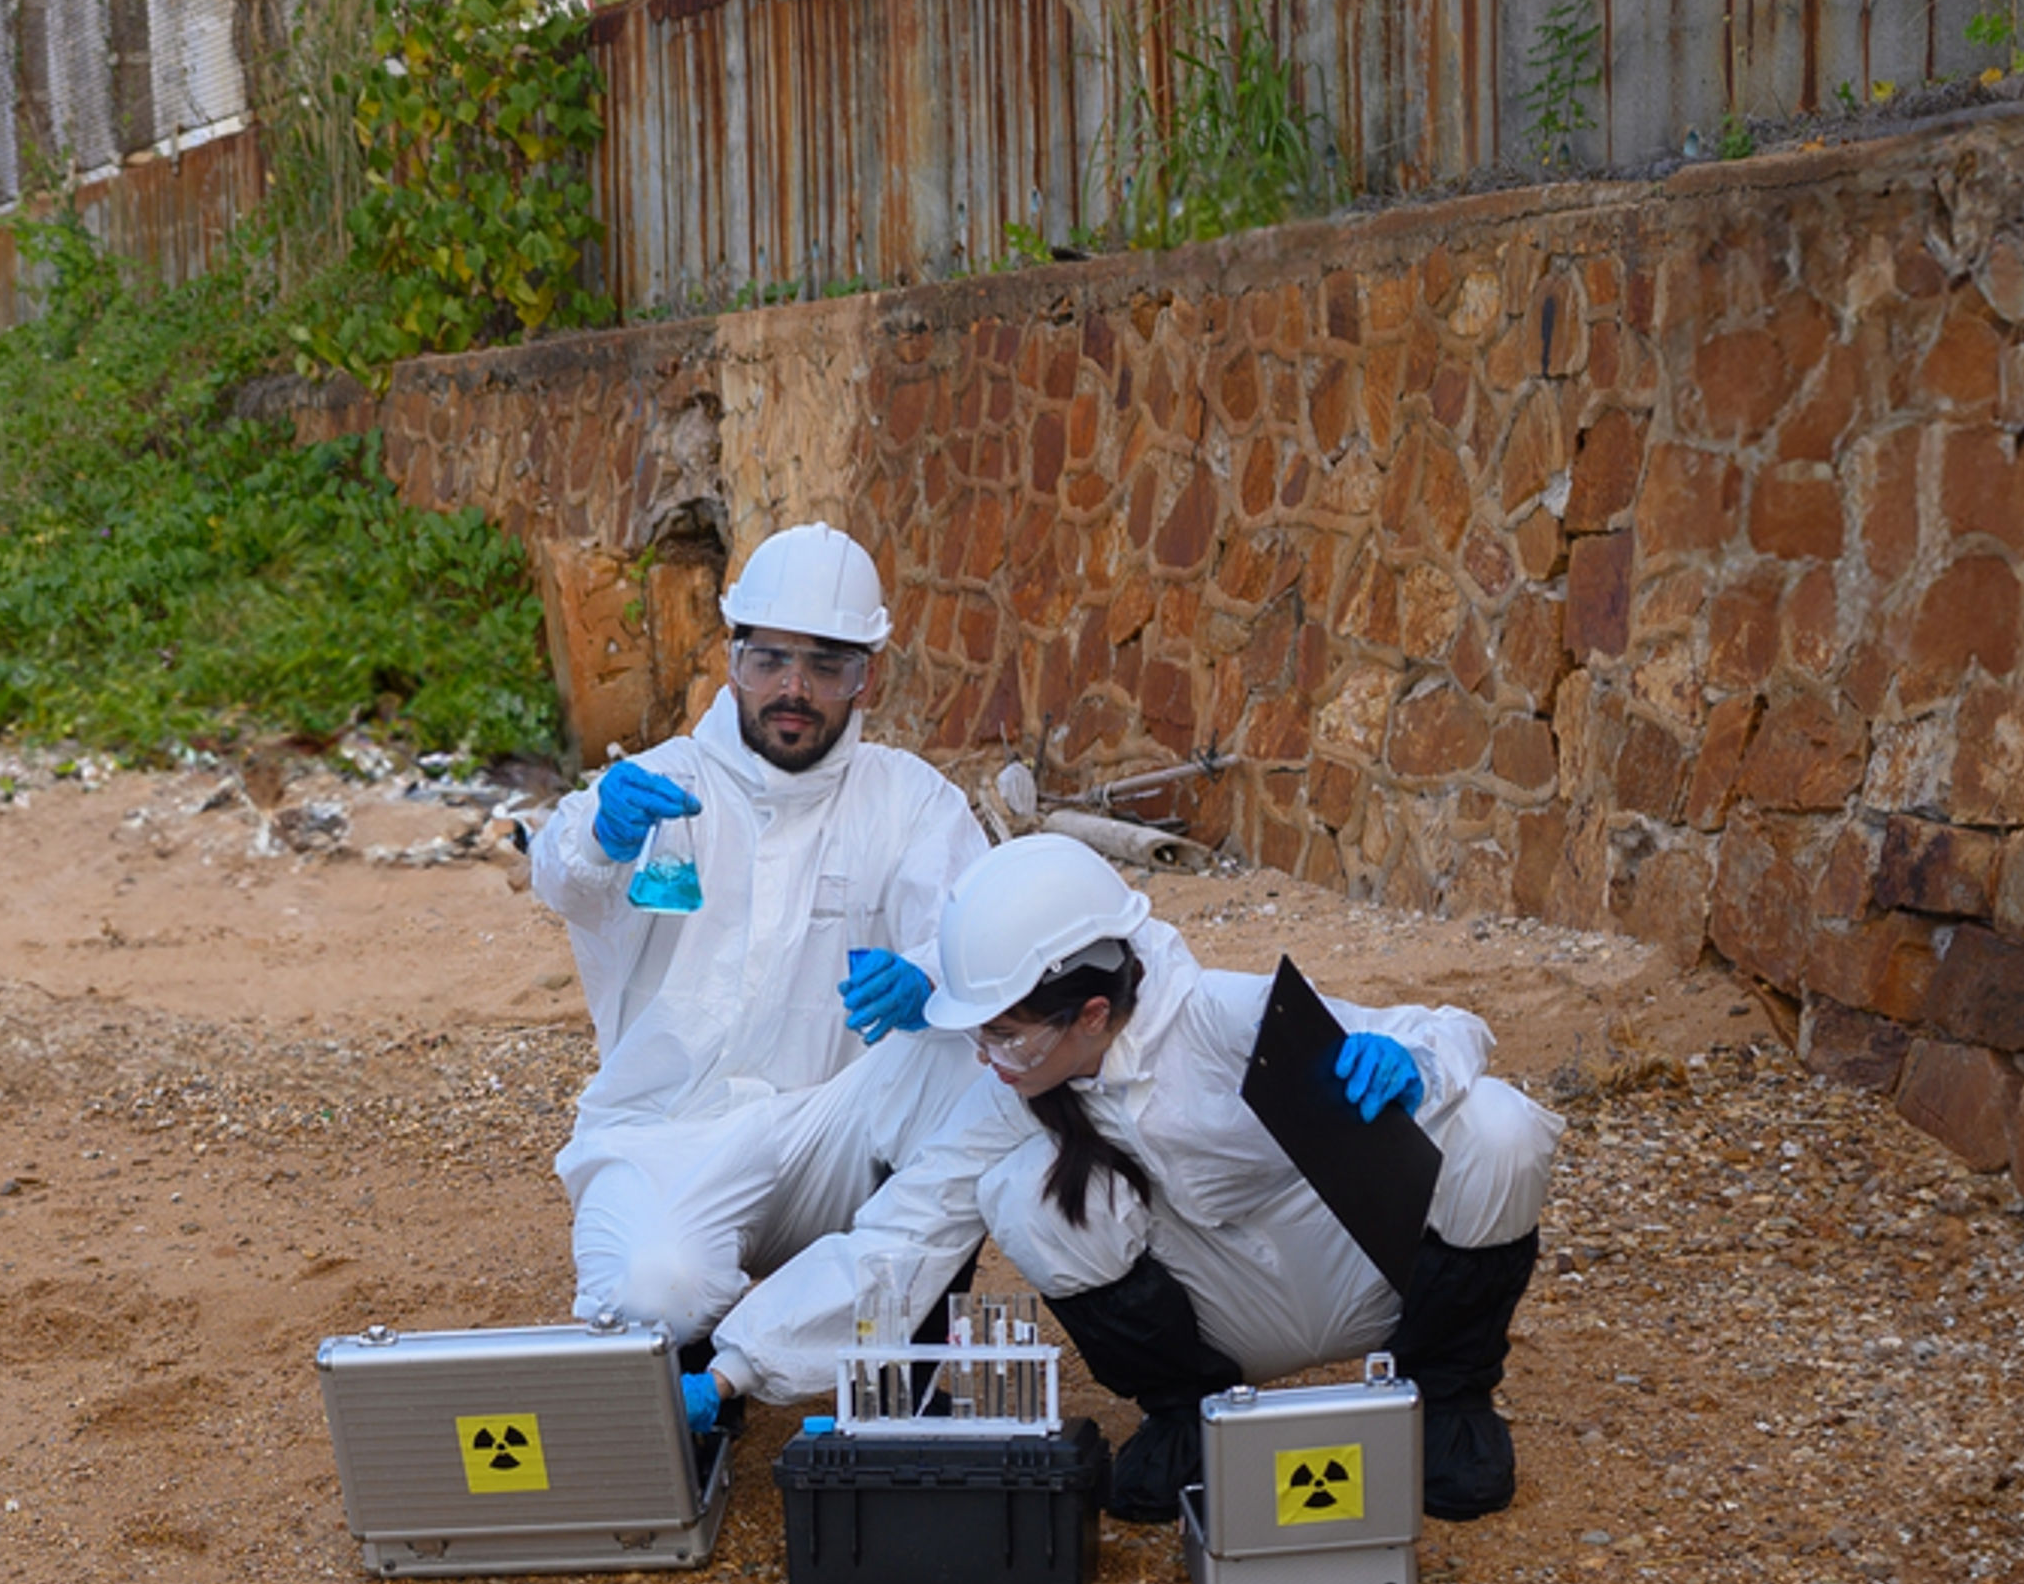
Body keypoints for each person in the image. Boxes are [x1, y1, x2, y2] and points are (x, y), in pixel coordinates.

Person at [705, 834, 1557, 1515]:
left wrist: (1409, 1059)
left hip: (1358, 1271)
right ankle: (1189, 1418)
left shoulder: (1224, 1018)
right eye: (981, 1035)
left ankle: (1444, 1404)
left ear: (1094, 1013)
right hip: (1222, 1314)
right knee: (1022, 1190)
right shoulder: (1016, 1093)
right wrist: (731, 1369)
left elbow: (1449, 1026)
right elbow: (897, 1241)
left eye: (1008, 1035)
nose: (988, 1059)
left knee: (1498, 1127)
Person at [531, 522, 992, 1357]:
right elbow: (561, 873)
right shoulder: (667, 783)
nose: (795, 689)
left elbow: (984, 936)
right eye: (771, 659)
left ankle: (910, 1341)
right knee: (646, 1304)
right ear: (733, 656)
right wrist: (601, 834)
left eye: (827, 665)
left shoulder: (910, 801)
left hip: (833, 1136)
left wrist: (932, 979)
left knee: (972, 1050)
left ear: (868, 677)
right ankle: (709, 1334)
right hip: (670, 1133)